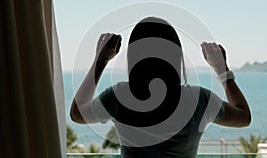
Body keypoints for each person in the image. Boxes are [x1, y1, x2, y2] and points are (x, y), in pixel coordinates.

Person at [70, 17, 251, 158]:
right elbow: (243, 117)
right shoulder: (199, 99)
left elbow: (77, 113)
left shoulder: (119, 97)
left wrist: (100, 61)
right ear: (176, 56)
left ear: (134, 57)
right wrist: (222, 69)